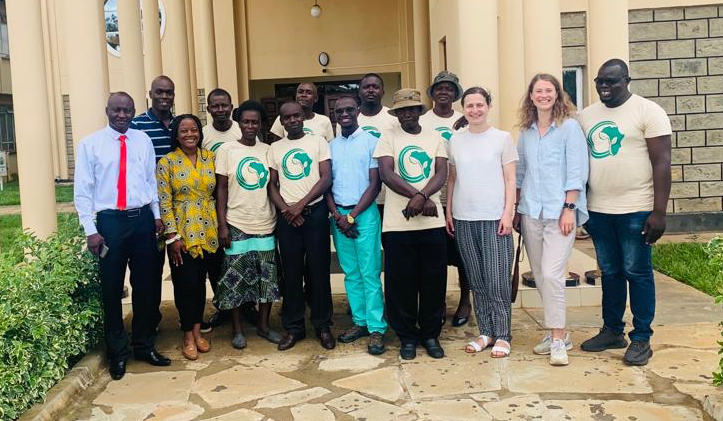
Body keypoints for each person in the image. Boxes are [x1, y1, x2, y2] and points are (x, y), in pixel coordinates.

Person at [578, 59, 672, 366]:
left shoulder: (648, 111)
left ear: (626, 81)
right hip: (599, 210)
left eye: (611, 82)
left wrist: (659, 211)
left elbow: (662, 163)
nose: (604, 87)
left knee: (638, 272)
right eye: (599, 81)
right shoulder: (587, 115)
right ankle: (612, 331)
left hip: (637, 209)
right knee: (611, 273)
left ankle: (642, 338)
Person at [74, 92, 169, 381]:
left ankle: (143, 345)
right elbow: (83, 190)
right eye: (117, 110)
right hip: (110, 223)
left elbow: (150, 181)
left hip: (141, 220)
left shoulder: (143, 140)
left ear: (133, 111)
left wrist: (155, 216)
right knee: (112, 289)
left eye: (128, 110)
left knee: (147, 286)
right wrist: (91, 231)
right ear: (107, 111)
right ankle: (118, 352)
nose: (123, 115)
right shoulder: (91, 144)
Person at [513, 74, 589, 366]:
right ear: (531, 97)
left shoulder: (569, 128)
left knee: (552, 274)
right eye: (538, 91)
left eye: (548, 90)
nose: (543, 95)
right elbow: (521, 174)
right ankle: (561, 332)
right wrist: (517, 209)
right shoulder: (527, 132)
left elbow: (576, 171)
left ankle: (558, 340)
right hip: (531, 212)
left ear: (557, 95)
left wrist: (570, 207)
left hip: (560, 213)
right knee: (541, 276)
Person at [374, 89, 448, 360]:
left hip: (432, 222)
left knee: (433, 282)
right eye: (402, 110)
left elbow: (441, 171)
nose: (407, 114)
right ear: (396, 113)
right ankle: (406, 336)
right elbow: (386, 173)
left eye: (412, 109)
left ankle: (430, 334)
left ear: (419, 111)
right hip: (397, 224)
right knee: (400, 284)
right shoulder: (388, 137)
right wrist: (416, 197)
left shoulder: (435, 136)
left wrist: (424, 196)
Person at [446, 87, 518, 358]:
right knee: (476, 280)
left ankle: (503, 334)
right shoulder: (455, 140)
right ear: (463, 108)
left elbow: (511, 179)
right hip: (465, 217)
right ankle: (486, 331)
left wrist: (508, 213)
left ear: (488, 106)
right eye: (469, 106)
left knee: (497, 280)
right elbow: (452, 179)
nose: (475, 110)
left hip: (494, 218)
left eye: (479, 105)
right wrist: (450, 211)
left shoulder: (501, 138)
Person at [214, 100, 282, 349]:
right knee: (235, 278)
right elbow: (221, 190)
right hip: (236, 223)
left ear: (261, 124)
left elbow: (272, 185)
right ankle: (237, 329)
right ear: (239, 123)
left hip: (265, 222)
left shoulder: (268, 150)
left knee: (267, 279)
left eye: (255, 122)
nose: (250, 126)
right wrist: (222, 226)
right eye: (246, 121)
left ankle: (264, 326)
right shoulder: (227, 150)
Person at [268, 101, 335, 351]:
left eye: (297, 116)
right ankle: (294, 327)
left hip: (315, 213)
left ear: (303, 119)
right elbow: (271, 185)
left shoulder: (318, 142)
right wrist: (287, 210)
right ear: (282, 121)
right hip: (288, 218)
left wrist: (301, 204)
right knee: (292, 272)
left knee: (318, 271)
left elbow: (326, 177)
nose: (293, 120)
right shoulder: (275, 148)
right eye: (288, 117)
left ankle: (322, 325)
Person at [156, 114, 221, 361]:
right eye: (184, 131)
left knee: (201, 283)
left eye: (193, 129)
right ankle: (187, 335)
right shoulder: (167, 162)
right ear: (176, 134)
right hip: (181, 232)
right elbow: (164, 201)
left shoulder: (210, 158)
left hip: (209, 229)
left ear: (200, 132)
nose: (189, 134)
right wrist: (172, 237)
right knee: (186, 284)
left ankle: (198, 331)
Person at [326, 96, 386, 355]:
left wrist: (352, 217)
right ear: (334, 115)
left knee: (369, 272)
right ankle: (359, 321)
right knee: (351, 272)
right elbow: (326, 184)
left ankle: (376, 328)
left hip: (364, 215)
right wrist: (338, 215)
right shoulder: (330, 147)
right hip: (338, 216)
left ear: (358, 111)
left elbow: (375, 185)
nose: (345, 114)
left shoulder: (372, 143)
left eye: (350, 109)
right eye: (340, 111)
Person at [420, 70, 471, 328]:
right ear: (433, 92)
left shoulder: (466, 120)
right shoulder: (422, 119)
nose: (444, 92)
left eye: (449, 88)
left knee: (462, 255)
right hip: (429, 199)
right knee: (434, 258)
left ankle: (465, 300)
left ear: (455, 94)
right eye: (439, 88)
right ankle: (436, 303)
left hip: (460, 195)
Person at [130, 75, 176, 329]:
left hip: (181, 208)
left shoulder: (180, 124)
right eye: (159, 92)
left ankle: (189, 316)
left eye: (169, 92)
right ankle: (150, 319)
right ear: (150, 94)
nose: (164, 96)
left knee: (184, 267)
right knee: (151, 268)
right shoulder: (137, 126)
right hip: (152, 210)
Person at [270, 83, 334, 142]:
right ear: (296, 96)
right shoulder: (284, 119)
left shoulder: (324, 120)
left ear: (316, 98)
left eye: (309, 93)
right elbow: (277, 146)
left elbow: (329, 146)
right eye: (300, 92)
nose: (303, 95)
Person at [202, 88, 242, 153]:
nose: (220, 110)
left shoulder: (242, 131)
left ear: (231, 107)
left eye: (224, 106)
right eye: (215, 106)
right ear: (208, 109)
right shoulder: (202, 134)